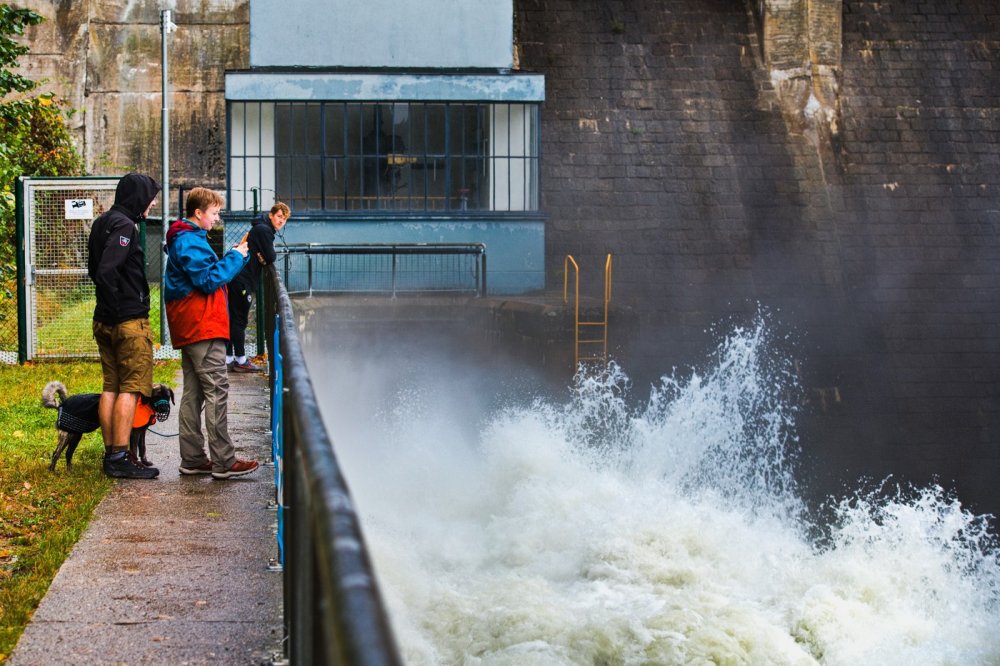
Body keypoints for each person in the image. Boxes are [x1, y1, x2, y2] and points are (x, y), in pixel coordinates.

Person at [163, 187, 259, 479]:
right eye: (214, 213)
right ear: (198, 213)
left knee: (194, 393)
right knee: (216, 390)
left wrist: (231, 256)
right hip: (202, 325)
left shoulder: (185, 239)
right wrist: (237, 256)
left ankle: (192, 459)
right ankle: (224, 461)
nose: (217, 219)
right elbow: (208, 280)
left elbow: (204, 274)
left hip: (194, 325)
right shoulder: (189, 241)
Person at [87, 172, 161, 480]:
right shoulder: (124, 226)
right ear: (138, 198)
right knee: (131, 388)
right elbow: (106, 272)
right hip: (126, 321)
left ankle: (112, 454)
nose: (152, 202)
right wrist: (120, 310)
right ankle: (120, 456)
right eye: (150, 197)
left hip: (103, 319)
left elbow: (94, 270)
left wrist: (108, 309)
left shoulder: (101, 222)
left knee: (111, 387)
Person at [225, 201, 290, 372]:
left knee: (234, 318)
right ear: (271, 215)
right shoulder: (264, 230)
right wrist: (264, 257)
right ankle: (240, 360)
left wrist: (264, 256)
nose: (281, 221)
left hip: (240, 277)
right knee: (239, 319)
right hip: (243, 279)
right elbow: (271, 256)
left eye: (284, 219)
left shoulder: (262, 228)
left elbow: (267, 256)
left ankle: (229, 357)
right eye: (279, 217)